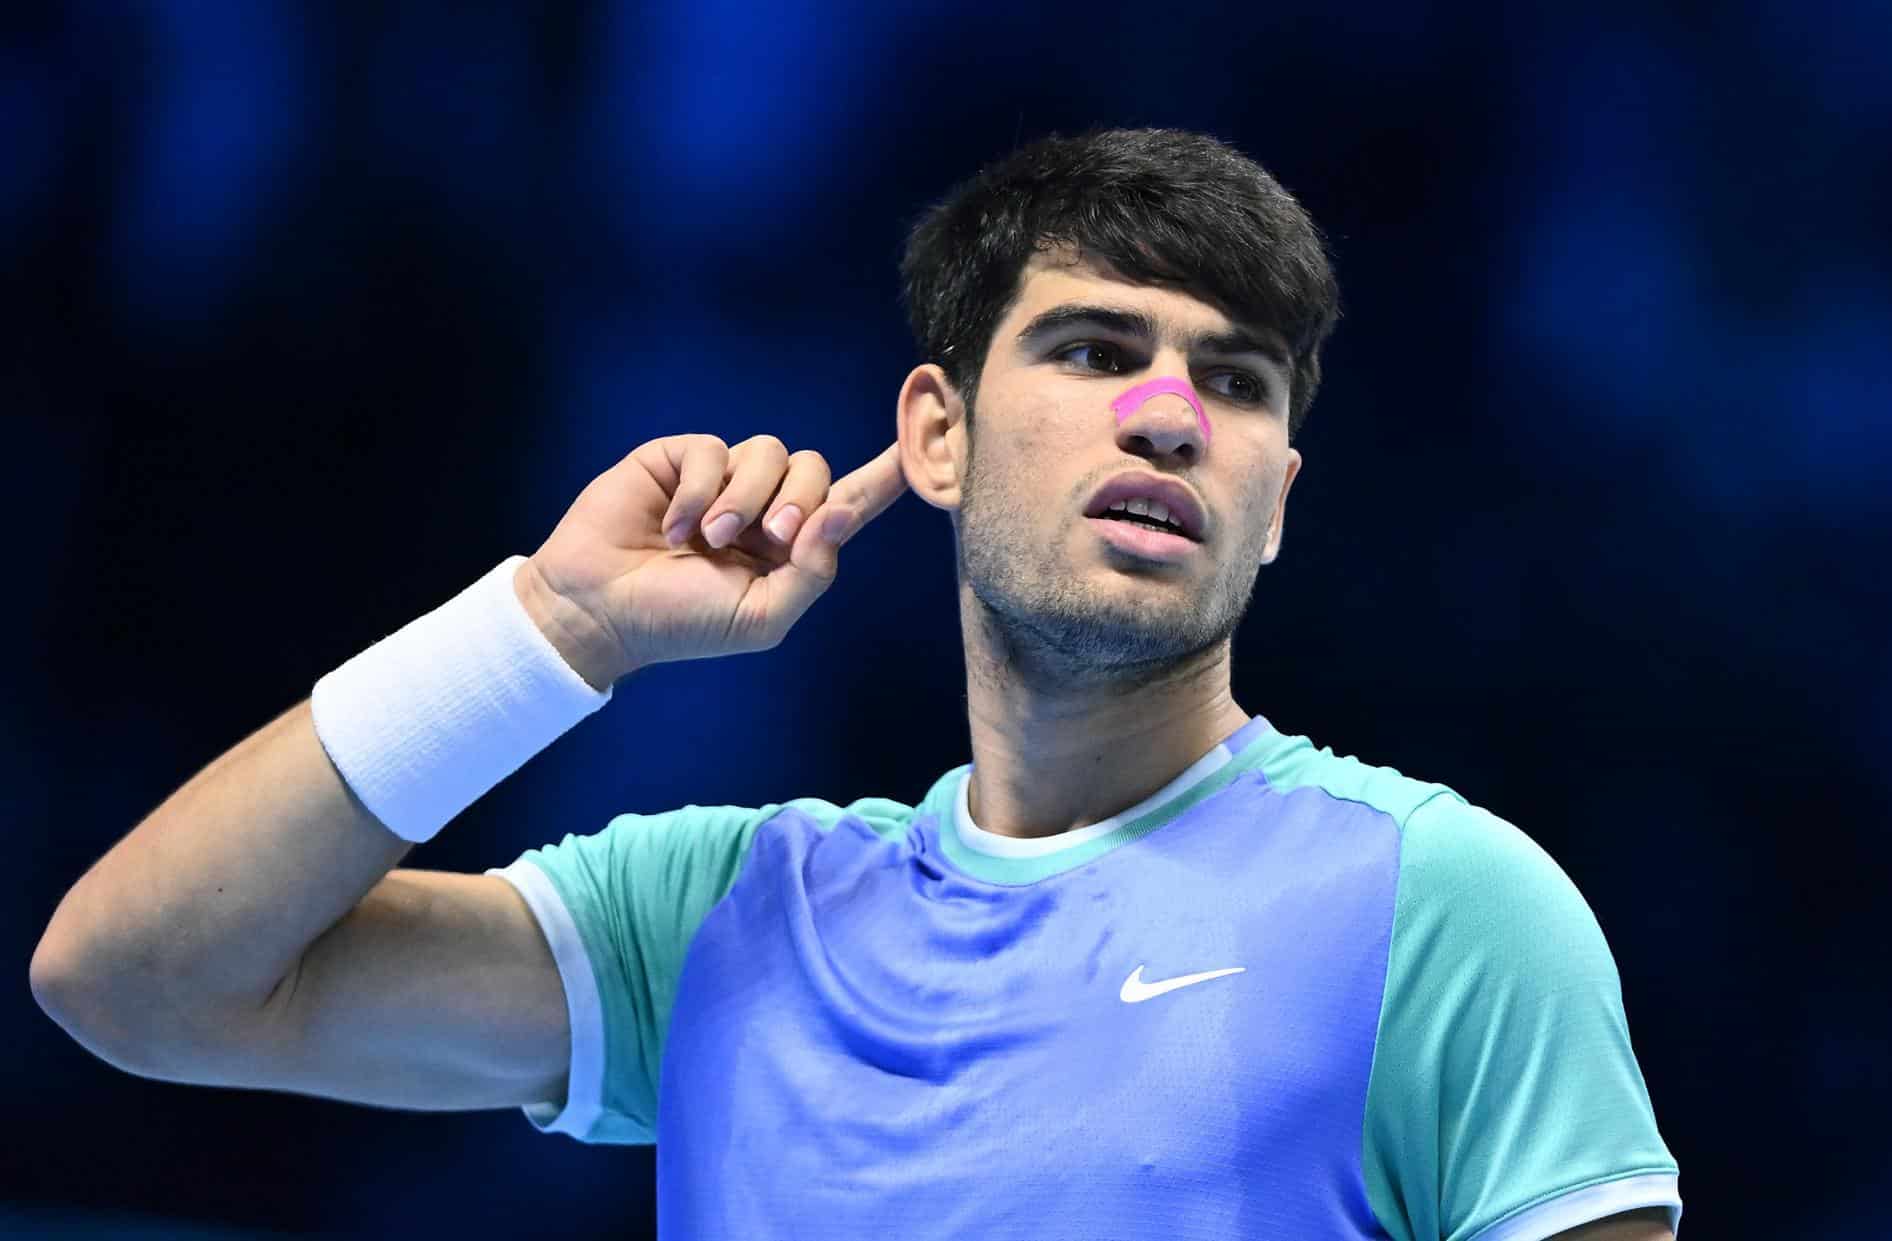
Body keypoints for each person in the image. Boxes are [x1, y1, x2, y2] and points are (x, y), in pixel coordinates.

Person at [32, 127, 1681, 1240]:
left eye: (1233, 383)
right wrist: (552, 631)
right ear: (936, 434)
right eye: (1097, 350)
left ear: (1276, 502)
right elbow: (138, 980)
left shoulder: (1446, 903)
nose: (1171, 415)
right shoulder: (722, 913)